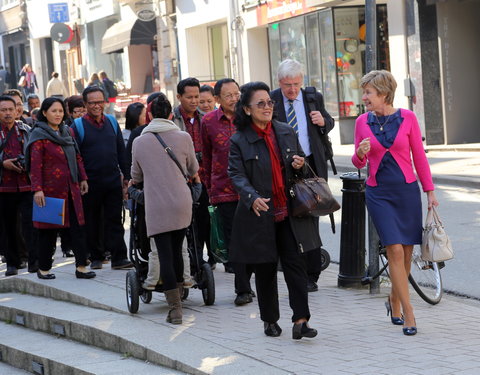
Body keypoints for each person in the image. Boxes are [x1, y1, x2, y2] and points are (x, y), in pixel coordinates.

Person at [229, 81, 319, 340]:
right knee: (266, 269)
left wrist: (299, 163)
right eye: (261, 103)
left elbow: (300, 161)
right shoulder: (239, 140)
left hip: (289, 211)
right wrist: (251, 197)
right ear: (247, 109)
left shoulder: (285, 130)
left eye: (270, 102)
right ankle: (269, 320)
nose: (267, 107)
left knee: (295, 266)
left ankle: (301, 320)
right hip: (261, 213)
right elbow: (236, 174)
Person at [352, 70, 439, 336]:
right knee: (395, 250)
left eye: (368, 92)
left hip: (406, 191)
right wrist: (360, 153)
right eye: (364, 91)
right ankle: (410, 312)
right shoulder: (361, 122)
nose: (364, 97)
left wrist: (430, 191)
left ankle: (395, 300)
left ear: (383, 93)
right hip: (379, 193)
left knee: (407, 251)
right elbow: (358, 163)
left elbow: (419, 158)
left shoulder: (409, 118)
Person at [131, 93, 199, 324]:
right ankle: (180, 297)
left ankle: (175, 309)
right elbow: (192, 169)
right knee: (179, 249)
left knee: (165, 255)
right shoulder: (183, 137)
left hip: (156, 205)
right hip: (181, 202)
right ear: (171, 114)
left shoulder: (139, 141)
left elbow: (136, 176)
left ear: (149, 114)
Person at [271, 58, 335, 293]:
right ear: (279, 82)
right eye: (287, 84)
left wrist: (323, 122)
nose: (292, 89)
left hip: (310, 164)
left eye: (296, 84)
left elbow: (328, 123)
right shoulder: (272, 100)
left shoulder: (312, 97)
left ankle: (311, 273)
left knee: (312, 214)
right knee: (287, 215)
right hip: (284, 166)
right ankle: (290, 266)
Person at [26, 97, 95, 280]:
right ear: (44, 113)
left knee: (78, 228)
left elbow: (77, 157)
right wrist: (37, 189)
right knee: (48, 231)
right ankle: (44, 269)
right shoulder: (38, 135)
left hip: (71, 189)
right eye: (54, 111)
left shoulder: (67, 132)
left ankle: (81, 266)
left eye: (60, 111)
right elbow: (35, 165)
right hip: (49, 191)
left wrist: (82, 178)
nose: (58, 114)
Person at [201, 78, 254, 306]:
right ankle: (242, 289)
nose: (235, 98)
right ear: (217, 99)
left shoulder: (250, 116)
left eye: (237, 93)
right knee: (235, 242)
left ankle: (254, 282)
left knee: (255, 240)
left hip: (254, 189)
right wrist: (210, 187)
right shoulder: (208, 121)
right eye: (229, 95)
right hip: (225, 190)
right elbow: (207, 155)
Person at [71, 86, 132, 270]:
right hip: (89, 183)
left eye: (100, 102)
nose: (97, 106)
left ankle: (119, 257)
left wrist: (126, 177)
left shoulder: (112, 122)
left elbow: (121, 152)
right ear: (85, 104)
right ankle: (96, 257)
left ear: (105, 102)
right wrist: (82, 179)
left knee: (115, 220)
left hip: (113, 180)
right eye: (92, 103)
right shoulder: (78, 126)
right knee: (92, 220)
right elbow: (76, 155)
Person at [172, 77, 214, 268]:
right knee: (187, 223)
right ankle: (192, 259)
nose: (195, 101)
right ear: (179, 97)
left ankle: (206, 257)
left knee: (205, 220)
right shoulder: (172, 120)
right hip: (181, 180)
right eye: (189, 97)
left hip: (204, 179)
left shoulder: (205, 119)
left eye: (197, 96)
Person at [0, 95, 37, 276]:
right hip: (3, 187)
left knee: (30, 224)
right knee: (8, 226)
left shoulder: (26, 130)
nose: (7, 113)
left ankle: (34, 261)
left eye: (10, 109)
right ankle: (12, 263)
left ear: (17, 111)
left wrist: (26, 163)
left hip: (26, 184)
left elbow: (35, 154)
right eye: (3, 110)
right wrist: (3, 163)